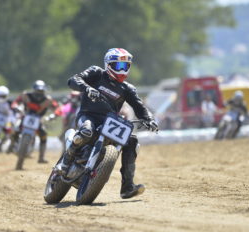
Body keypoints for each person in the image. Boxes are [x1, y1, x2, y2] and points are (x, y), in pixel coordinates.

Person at [55, 48, 158, 199]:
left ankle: (127, 186)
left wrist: (150, 119)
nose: (122, 70)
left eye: (126, 66)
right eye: (119, 66)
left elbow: (140, 107)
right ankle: (65, 163)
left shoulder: (127, 88)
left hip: (110, 122)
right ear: (108, 64)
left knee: (132, 141)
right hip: (88, 115)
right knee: (86, 131)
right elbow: (73, 80)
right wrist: (88, 88)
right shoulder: (96, 73)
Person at [12, 80, 61, 165]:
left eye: (41, 91)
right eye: (38, 91)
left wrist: (54, 115)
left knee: (43, 135)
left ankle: (41, 157)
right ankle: (12, 146)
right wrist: (16, 107)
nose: (39, 93)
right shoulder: (26, 95)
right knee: (15, 129)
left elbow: (57, 108)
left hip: (38, 120)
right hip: (25, 116)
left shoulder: (48, 100)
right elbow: (16, 102)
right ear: (34, 89)